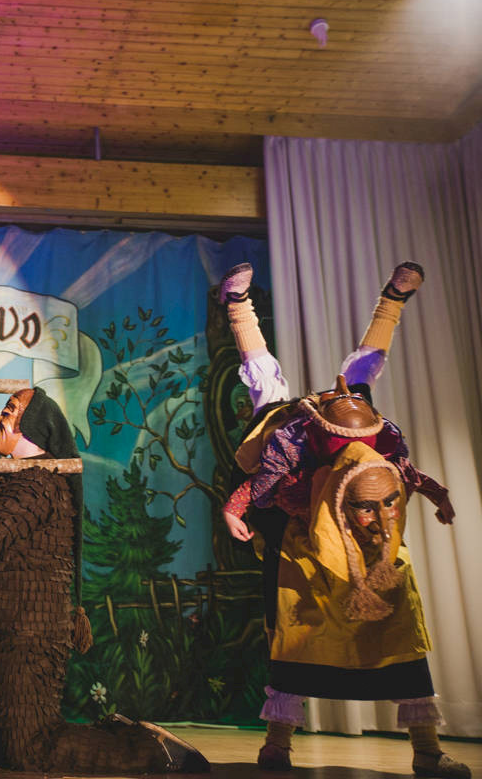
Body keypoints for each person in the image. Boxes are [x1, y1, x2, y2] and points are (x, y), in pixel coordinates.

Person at [217, 263, 468, 778]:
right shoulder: (291, 430)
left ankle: (426, 749)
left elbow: (403, 470)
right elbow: (264, 480)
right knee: (295, 633)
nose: (343, 395)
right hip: (304, 543)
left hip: (369, 544)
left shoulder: (373, 430)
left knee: (398, 629)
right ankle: (277, 744)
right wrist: (235, 506)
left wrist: (437, 495)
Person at [0, 388, 208, 773]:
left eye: (9, 411)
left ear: (33, 425)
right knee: (6, 752)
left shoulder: (39, 484)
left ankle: (151, 748)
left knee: (30, 750)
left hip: (26, 636)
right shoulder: (6, 479)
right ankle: (119, 731)